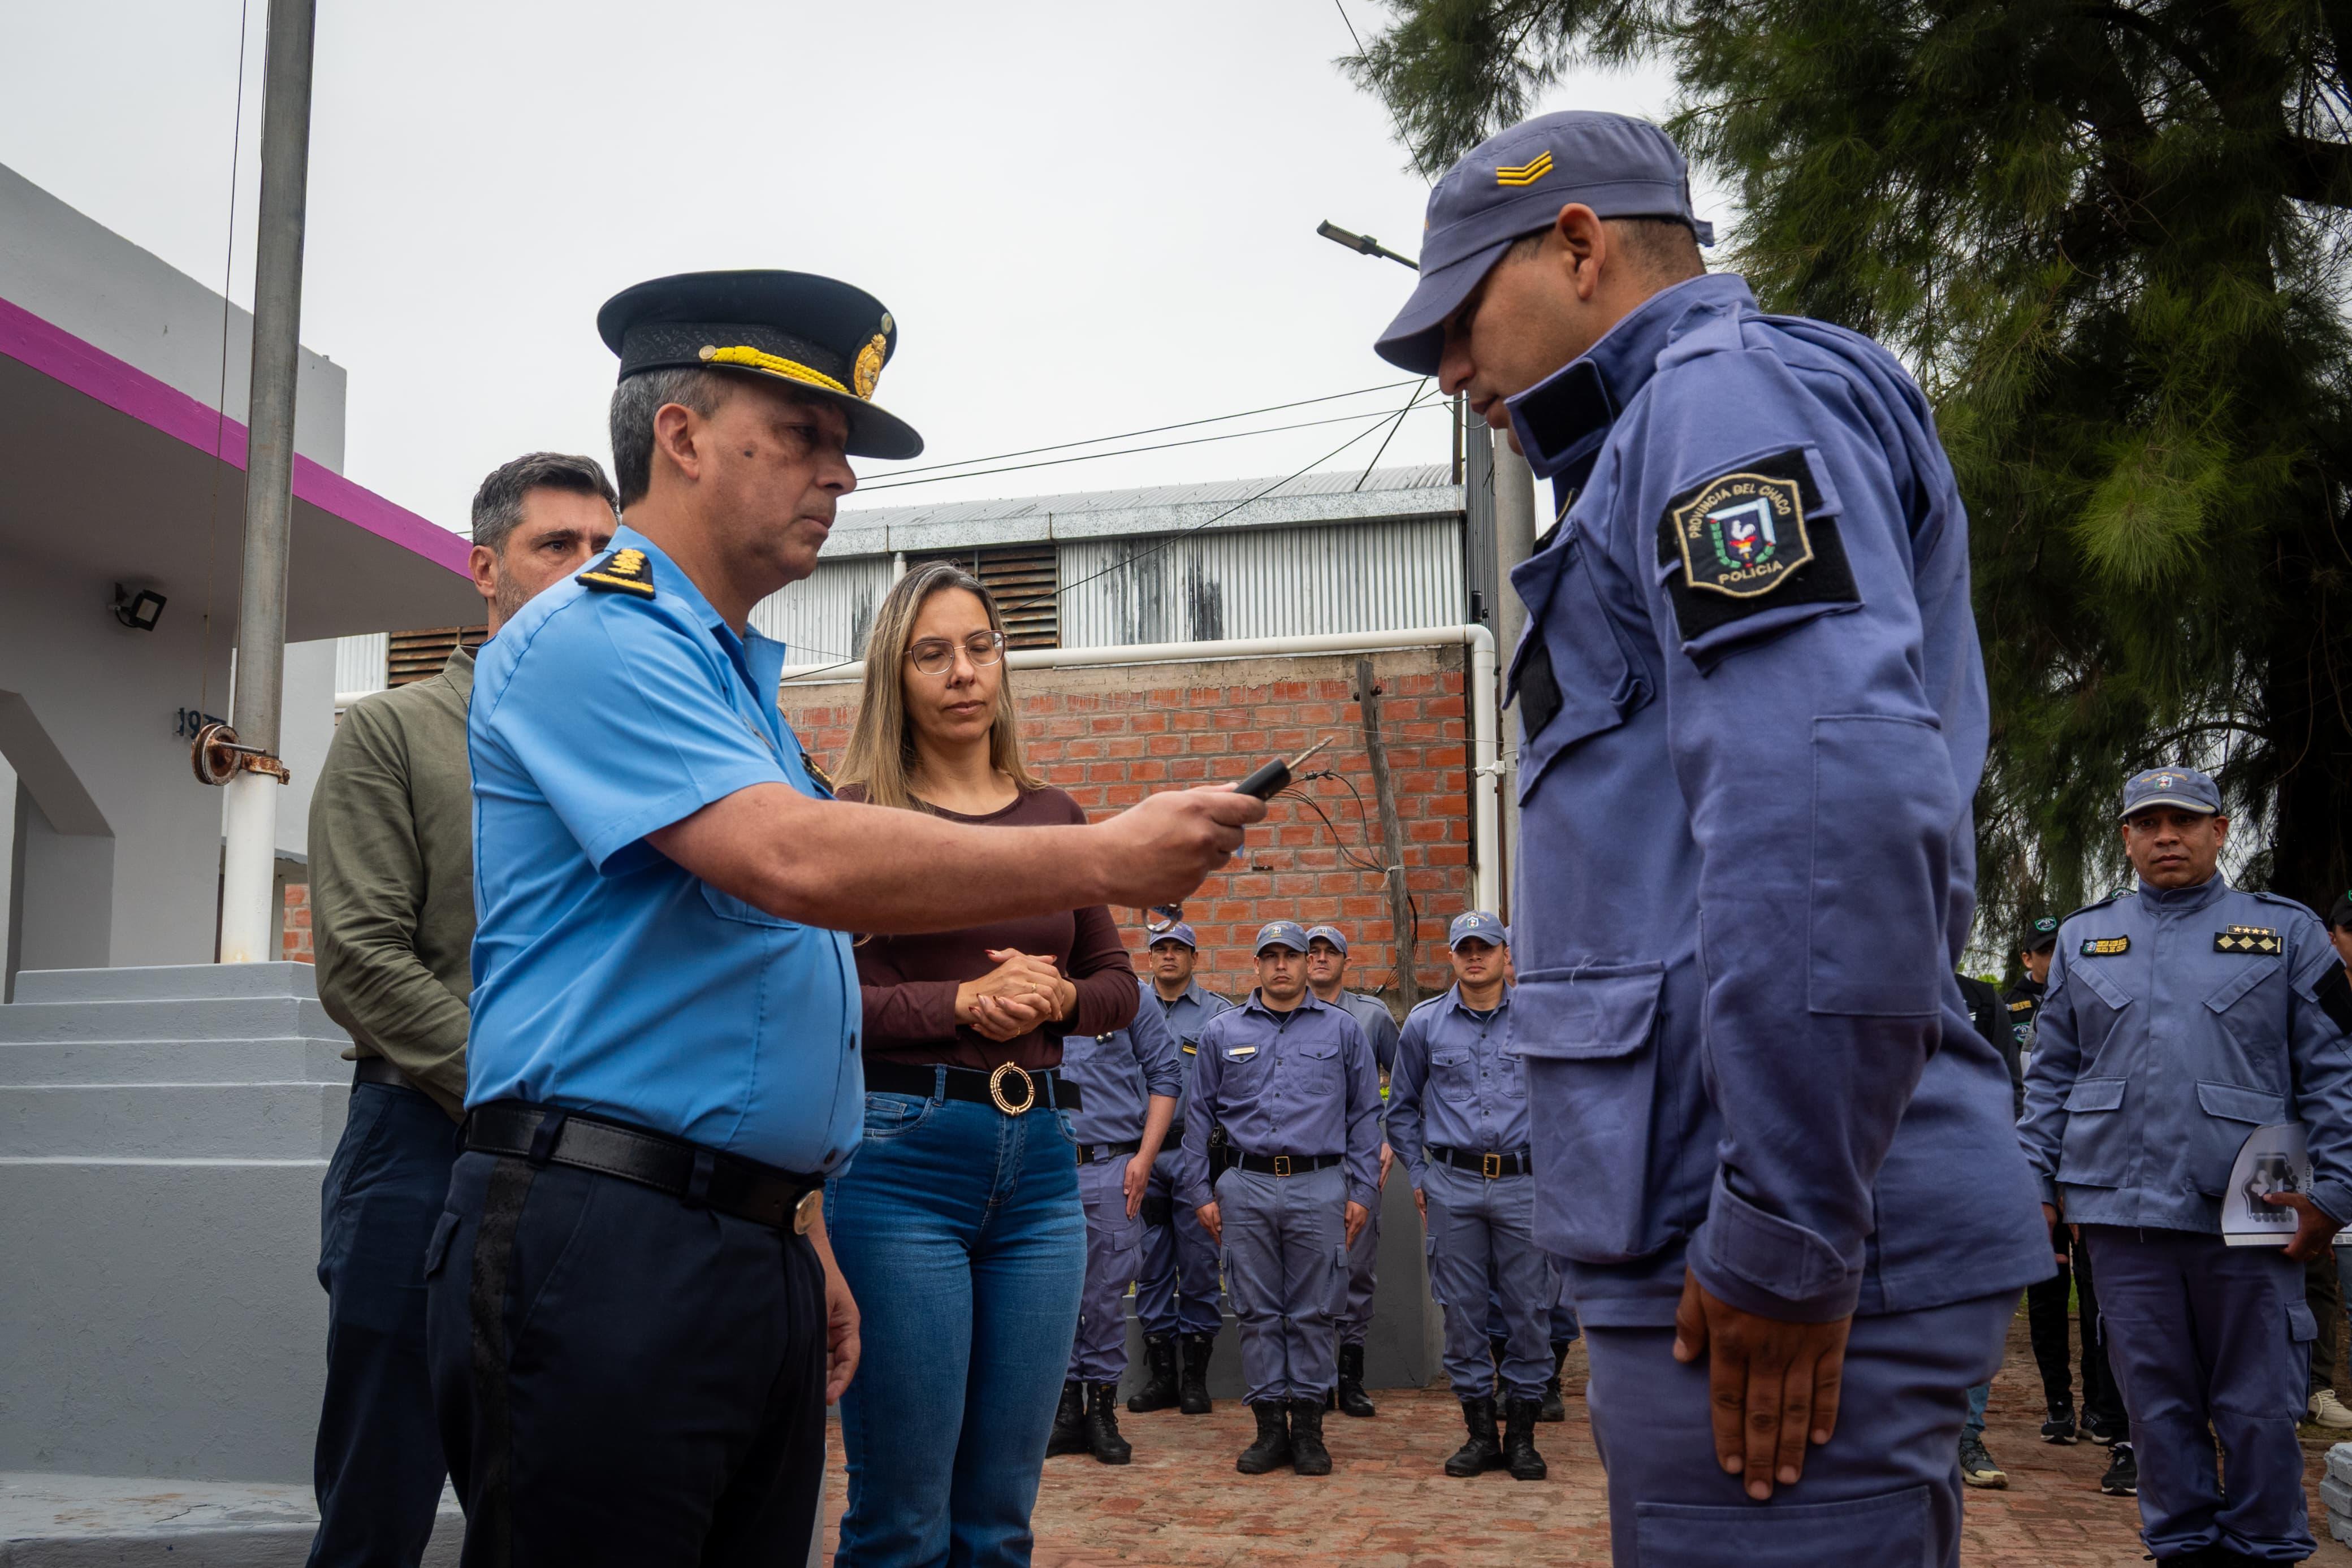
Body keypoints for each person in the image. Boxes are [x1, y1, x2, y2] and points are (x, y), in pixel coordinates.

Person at [426, 271, 1263, 1568]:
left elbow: (771, 994)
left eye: (841, 448)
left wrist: (797, 1226)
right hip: (606, 1236)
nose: (841, 478)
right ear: (684, 437)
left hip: (737, 1237)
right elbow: (796, 863)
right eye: (805, 437)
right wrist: (1100, 850)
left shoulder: (732, 682)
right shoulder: (596, 636)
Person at [1373, 112, 2052, 1565]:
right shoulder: (1670, 432)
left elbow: (1831, 817)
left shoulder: (1715, 405)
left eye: (1456, 317)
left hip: (1743, 1237)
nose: (1445, 370)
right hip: (1718, 1206)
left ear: (1577, 244)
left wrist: (1787, 1234)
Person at [304, 453, 615, 1568]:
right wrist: (530, 1085)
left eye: (604, 548)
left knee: (552, 1507)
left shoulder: (629, 750)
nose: (588, 570)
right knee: (378, 1504)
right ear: (484, 568)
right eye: (556, 546)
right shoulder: (394, 733)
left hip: (598, 1172)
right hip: (422, 1152)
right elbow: (362, 962)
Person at [828, 561, 1148, 1562]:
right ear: (897, 673)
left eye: (981, 646)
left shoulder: (1055, 815)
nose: (963, 671)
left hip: (1046, 1167)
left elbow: (1118, 985)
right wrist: (959, 1001)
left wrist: (1059, 997)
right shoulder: (854, 814)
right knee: (903, 1518)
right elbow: (823, 1003)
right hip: (900, 1162)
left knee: (1001, 1518)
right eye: (934, 653)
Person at [2020, 766, 2352, 1566]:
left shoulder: (2287, 932)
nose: (2168, 835)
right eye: (2149, 822)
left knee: (2259, 1405)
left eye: (2186, 819)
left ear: (2221, 829)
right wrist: (2033, 1182)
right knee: (2155, 1405)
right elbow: (2050, 1073)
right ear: (2127, 837)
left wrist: (2334, 1191)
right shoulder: (2084, 936)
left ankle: (2267, 1547)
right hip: (2118, 1207)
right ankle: (2182, 1549)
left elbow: (2333, 1070)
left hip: (2255, 1201)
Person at [1179, 921, 1383, 1476]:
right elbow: (1197, 1116)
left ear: (1304, 962)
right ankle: (1270, 1428)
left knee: (1315, 1309)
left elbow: (1366, 1114)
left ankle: (1310, 1429)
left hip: (1319, 1184)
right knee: (1256, 1309)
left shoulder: (1343, 1031)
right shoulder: (1222, 1032)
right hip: (1243, 1185)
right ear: (1256, 965)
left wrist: (1362, 1189)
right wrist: (1198, 1190)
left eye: (1290, 955)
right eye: (1269, 956)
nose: (1281, 966)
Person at [1387, 911, 1549, 1481]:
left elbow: (1564, 1098)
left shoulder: (1536, 1016)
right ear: (1451, 956)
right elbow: (1400, 1107)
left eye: (1486, 946)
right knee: (1461, 1313)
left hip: (1523, 1183)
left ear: (1507, 954)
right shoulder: (1425, 1024)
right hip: (1452, 1184)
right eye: (1465, 947)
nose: (1474, 956)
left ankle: (1523, 1436)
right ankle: (1480, 1433)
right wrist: (1418, 1173)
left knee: (1530, 1309)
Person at [1048, 971, 1182, 1465]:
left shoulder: (1130, 997)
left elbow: (1166, 1076)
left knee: (1105, 1294)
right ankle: (1063, 1412)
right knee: (1048, 1294)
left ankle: (1102, 1411)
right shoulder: (1027, 987)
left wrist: (1145, 1158)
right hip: (1044, 1166)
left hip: (1112, 1166)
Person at [1128, 922, 1234, 1415]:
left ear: (1194, 956)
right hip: (1142, 1156)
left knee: (1197, 1267)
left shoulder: (1218, 1015)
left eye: (1179, 949)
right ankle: (1161, 1376)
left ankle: (1195, 1377)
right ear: (1149, 957)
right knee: (1149, 1267)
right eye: (1160, 949)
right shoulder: (1126, 1009)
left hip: (1196, 1157)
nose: (1169, 957)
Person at [1302, 922, 1399, 1417]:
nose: (1319, 959)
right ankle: (1314, 1380)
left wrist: (1388, 1142)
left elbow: (1404, 1085)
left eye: (1329, 952)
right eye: (1311, 951)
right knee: (1310, 1274)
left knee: (1357, 1271)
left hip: (1356, 1162)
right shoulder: (1286, 1014)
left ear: (1346, 961)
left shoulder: (1372, 1016)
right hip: (1303, 1166)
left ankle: (1351, 1377)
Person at [1953, 968, 2024, 1492]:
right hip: (1875, 1177)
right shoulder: (1861, 977)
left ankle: (1965, 1435)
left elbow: (2010, 1089)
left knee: (1974, 1311)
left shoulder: (1981, 1000)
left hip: (1967, 1178)